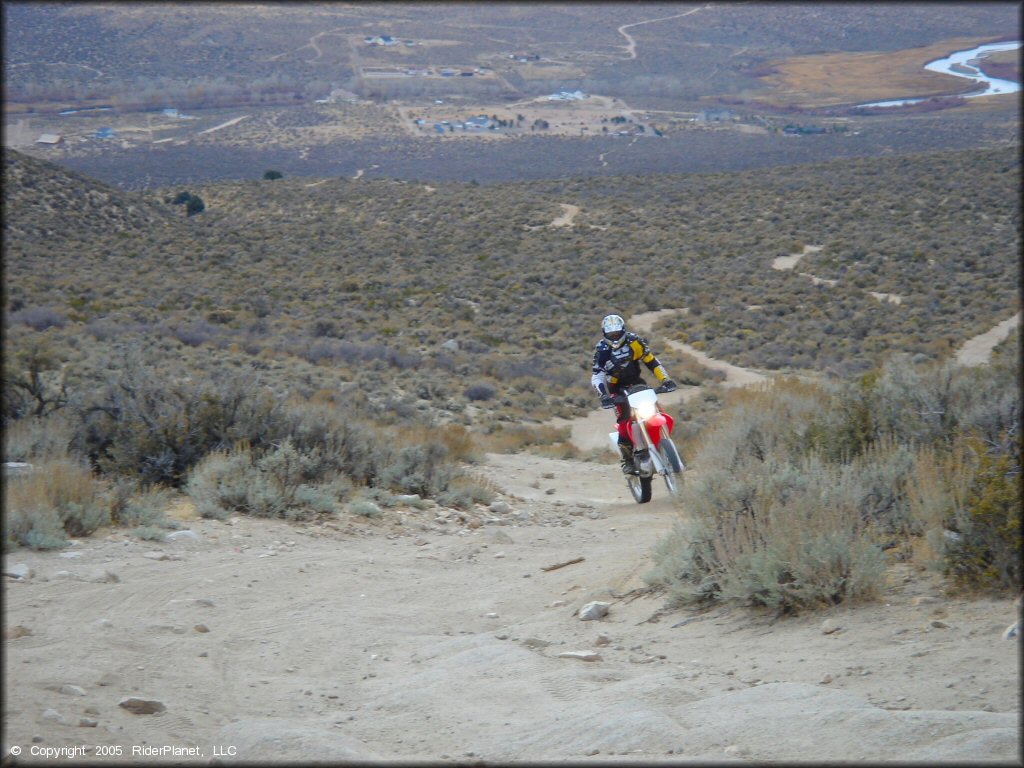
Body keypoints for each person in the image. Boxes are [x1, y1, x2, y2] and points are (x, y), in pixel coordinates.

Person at [591, 314, 677, 474]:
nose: (615, 337)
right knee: (625, 420)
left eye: (617, 333)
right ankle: (628, 459)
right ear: (605, 333)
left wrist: (666, 380)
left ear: (623, 330)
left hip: (637, 383)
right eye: (611, 334)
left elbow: (651, 361)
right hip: (616, 388)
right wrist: (603, 395)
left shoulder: (634, 342)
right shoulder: (602, 350)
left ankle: (665, 444)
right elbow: (597, 375)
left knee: (656, 408)